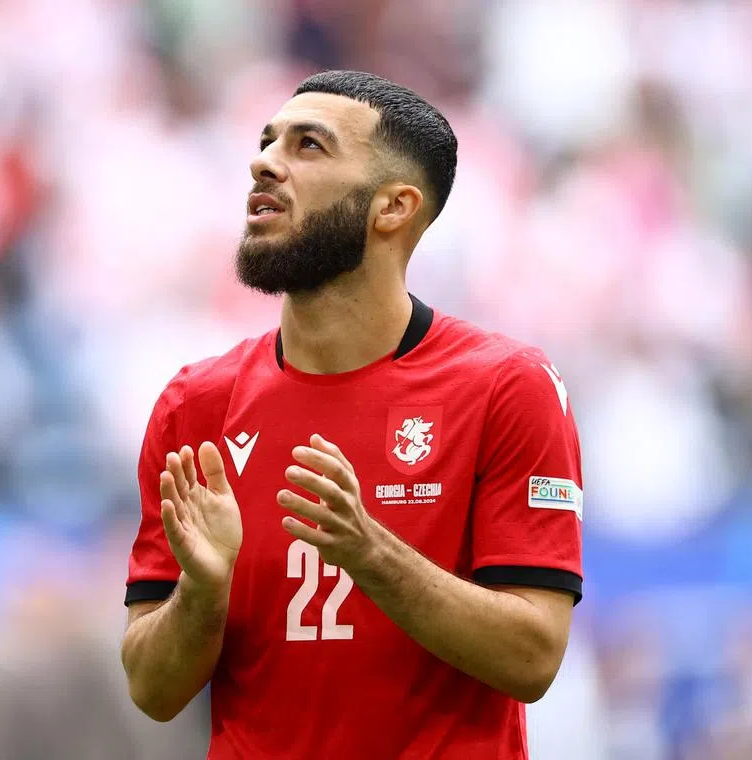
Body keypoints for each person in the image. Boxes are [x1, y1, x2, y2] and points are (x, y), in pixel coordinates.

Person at [120, 70, 584, 760]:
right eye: (267, 141)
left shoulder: (507, 386)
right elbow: (152, 691)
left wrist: (368, 550)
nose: (264, 162)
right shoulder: (196, 403)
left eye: (309, 146)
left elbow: (533, 656)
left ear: (392, 207)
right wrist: (203, 590)